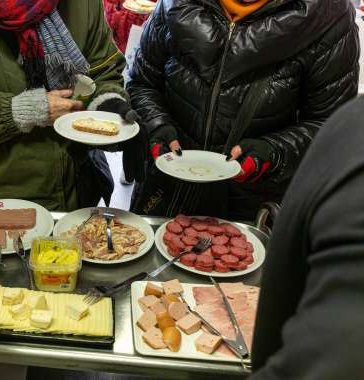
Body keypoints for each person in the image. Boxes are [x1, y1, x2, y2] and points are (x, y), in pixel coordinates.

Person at [128, 0, 359, 219]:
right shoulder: (174, 5)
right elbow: (143, 82)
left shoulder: (328, 17)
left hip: (251, 207)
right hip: (163, 189)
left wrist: (274, 152)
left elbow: (331, 124)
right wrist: (156, 123)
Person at [0, 0, 147, 211]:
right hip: (0, 205)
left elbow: (102, 70)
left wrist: (109, 104)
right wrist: (24, 111)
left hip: (81, 193)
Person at [250, 97, 364, 378]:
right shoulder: (352, 123)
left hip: (254, 192)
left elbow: (333, 358)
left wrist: (274, 151)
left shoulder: (354, 130)